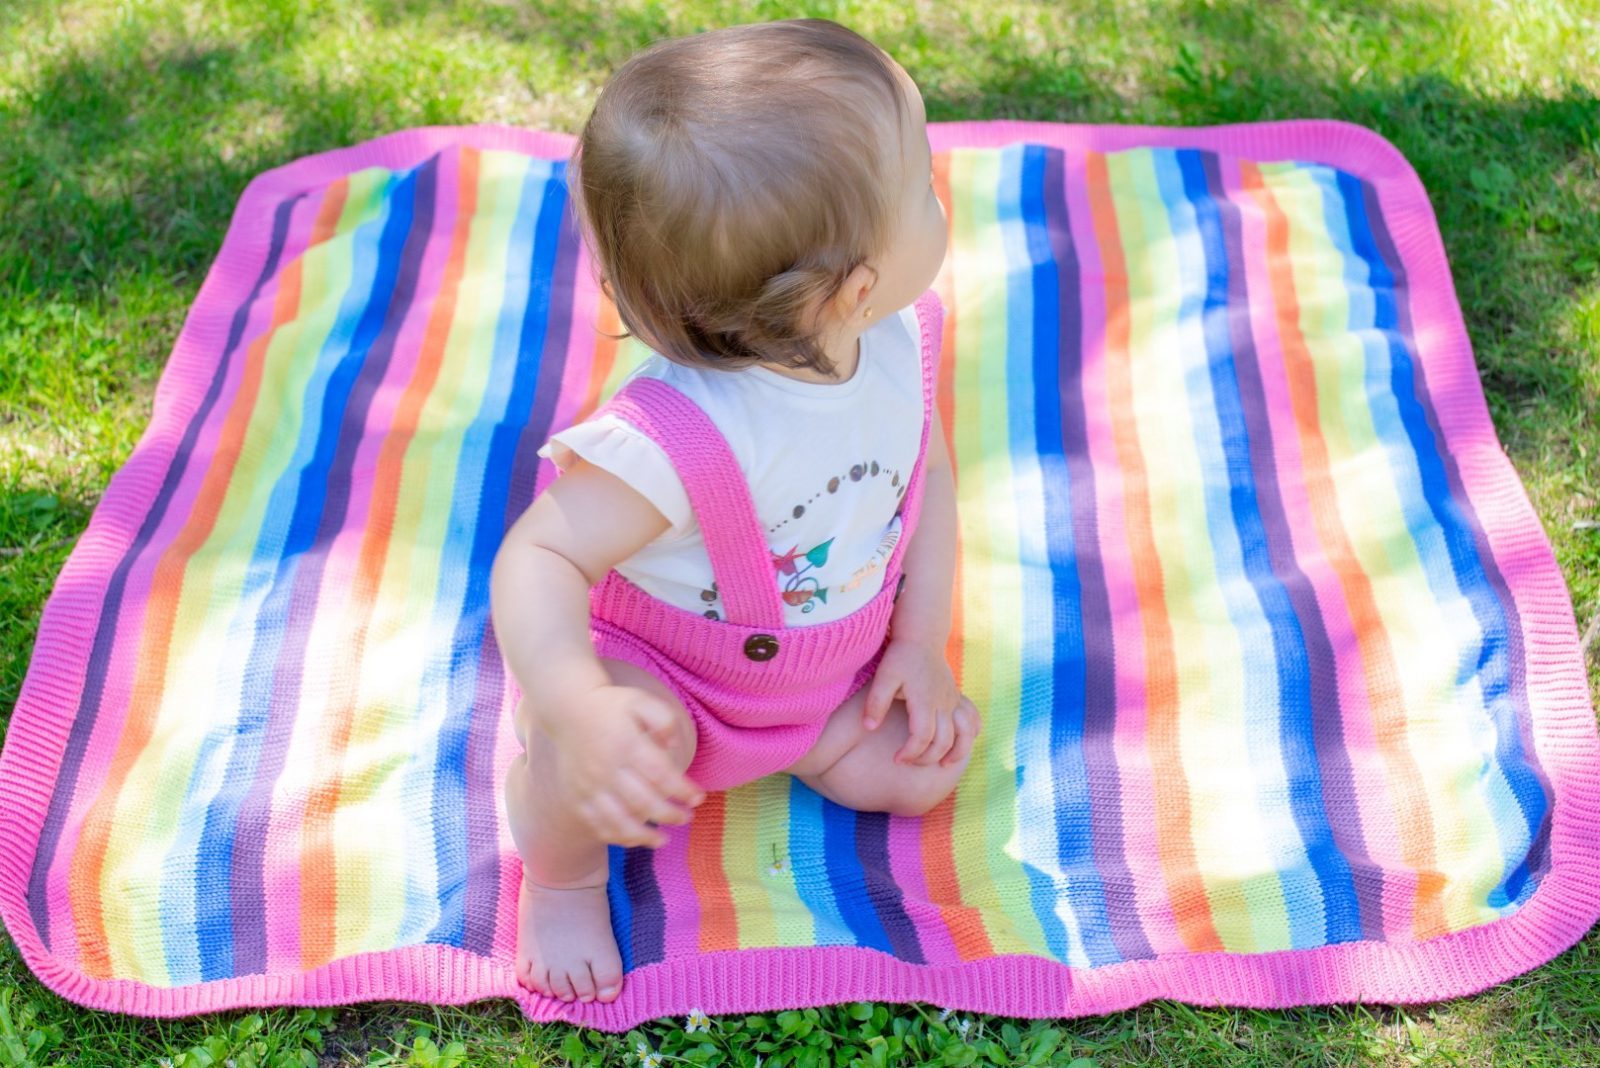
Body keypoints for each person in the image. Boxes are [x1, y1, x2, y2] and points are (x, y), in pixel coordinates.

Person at [492, 18, 980, 1006]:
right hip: (673, 682)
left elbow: (920, 485)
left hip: (821, 679)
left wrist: (918, 644)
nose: (944, 198)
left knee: (924, 769)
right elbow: (538, 556)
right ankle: (559, 871)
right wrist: (575, 700)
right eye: (926, 185)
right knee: (625, 757)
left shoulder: (894, 340)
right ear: (852, 288)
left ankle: (807, 747)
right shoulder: (670, 440)